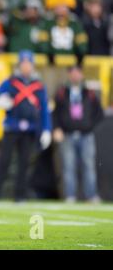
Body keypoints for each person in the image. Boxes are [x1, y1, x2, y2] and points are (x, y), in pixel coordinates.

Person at [0, 50, 52, 202]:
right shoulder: (10, 82)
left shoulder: (38, 86)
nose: (26, 67)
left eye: (28, 63)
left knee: (24, 164)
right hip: (12, 127)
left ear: (32, 65)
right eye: (23, 63)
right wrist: (0, 102)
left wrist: (47, 130)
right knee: (4, 161)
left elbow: (44, 109)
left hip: (30, 129)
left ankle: (20, 196)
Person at [53, 65, 103, 203]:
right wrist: (57, 128)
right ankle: (70, 196)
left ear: (81, 74)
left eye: (77, 73)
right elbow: (55, 113)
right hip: (68, 134)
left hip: (86, 135)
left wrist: (89, 126)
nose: (75, 75)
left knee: (89, 166)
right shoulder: (62, 92)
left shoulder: (90, 93)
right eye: (72, 73)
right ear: (69, 75)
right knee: (68, 167)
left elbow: (99, 113)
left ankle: (91, 195)